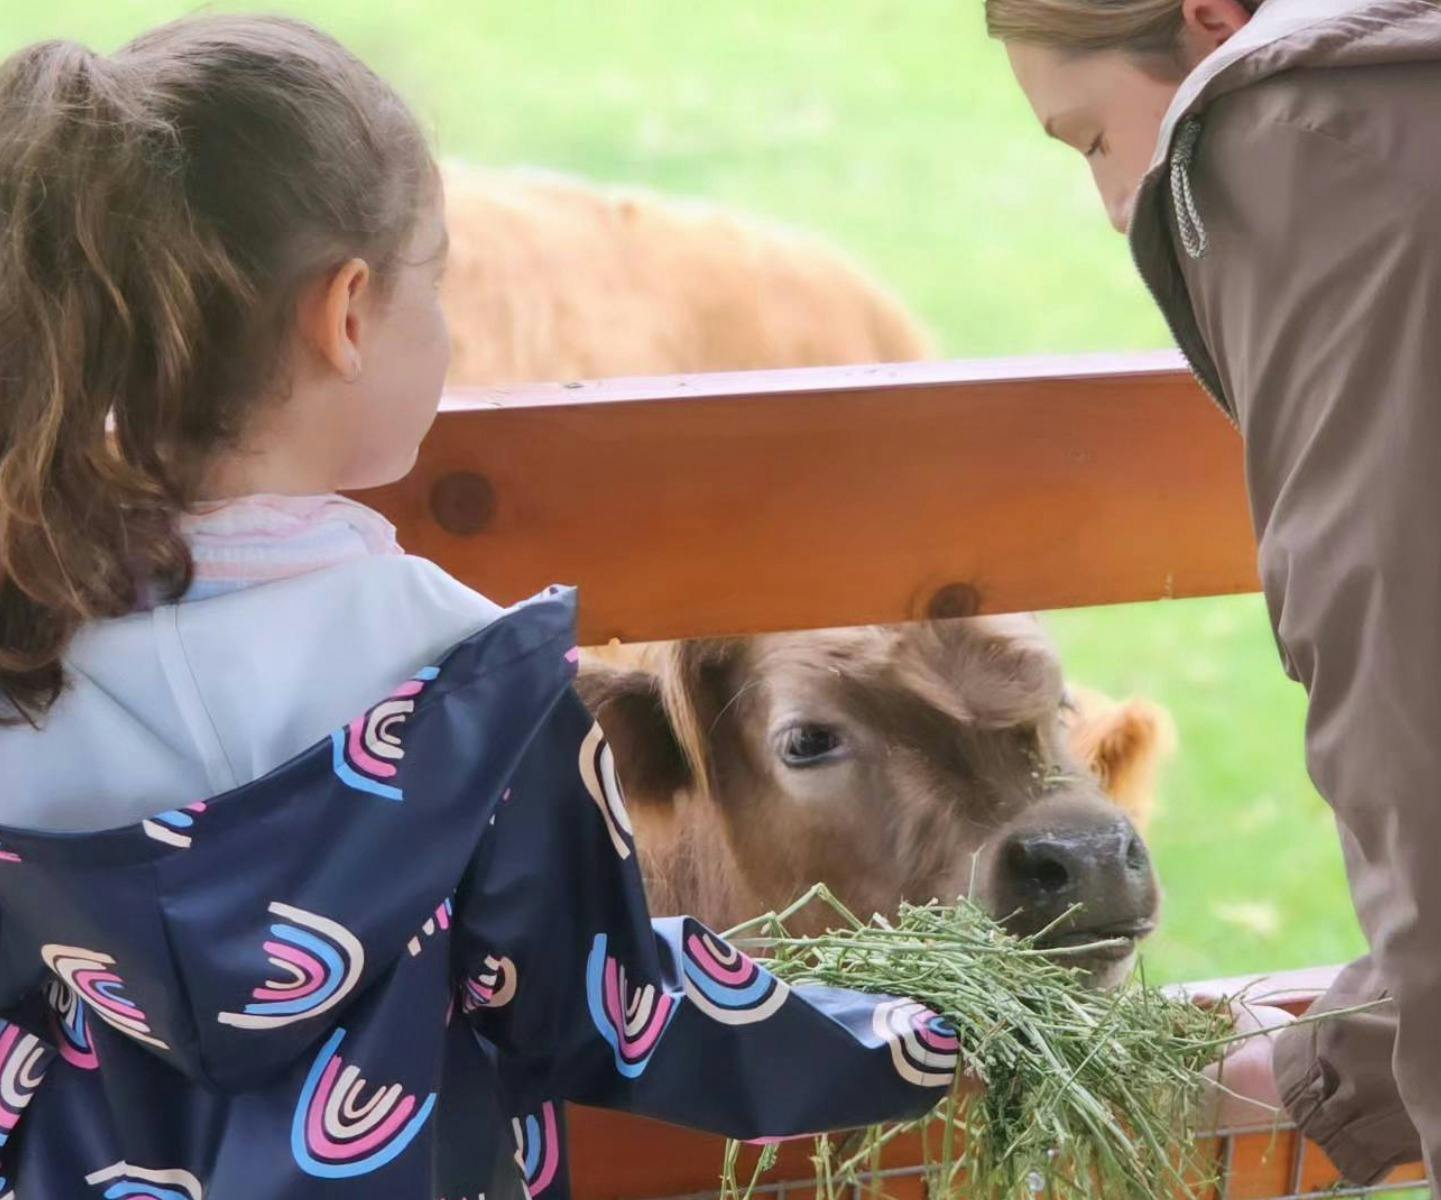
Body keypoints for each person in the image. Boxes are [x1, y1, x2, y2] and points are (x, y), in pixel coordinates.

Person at [0, 17, 954, 1196]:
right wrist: (924, 1036)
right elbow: (610, 1007)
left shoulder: (24, 635)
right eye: (434, 282)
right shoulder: (465, 680)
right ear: (348, 314)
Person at [985, 0, 1441, 1195]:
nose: (1119, 206)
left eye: (1093, 141)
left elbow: (1419, 717)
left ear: (1214, 19)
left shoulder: (1289, 124)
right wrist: (1327, 1070)